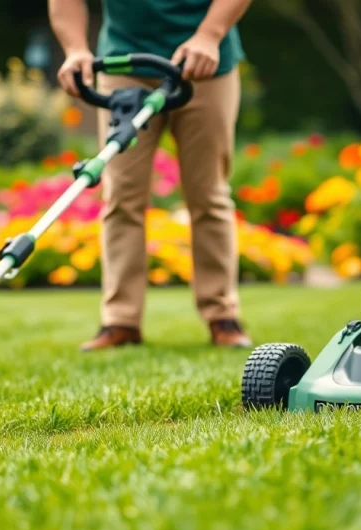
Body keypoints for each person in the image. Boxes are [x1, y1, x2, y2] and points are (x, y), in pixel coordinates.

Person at [48, 0, 255, 351]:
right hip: (124, 64)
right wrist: (75, 49)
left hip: (204, 62)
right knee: (121, 196)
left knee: (209, 195)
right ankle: (120, 321)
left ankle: (223, 315)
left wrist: (210, 34)